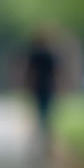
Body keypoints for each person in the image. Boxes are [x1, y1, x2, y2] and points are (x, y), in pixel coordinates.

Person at [25, 28, 59, 159]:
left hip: (37, 88)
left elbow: (29, 72)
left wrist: (27, 85)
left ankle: (37, 146)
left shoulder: (34, 53)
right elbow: (57, 72)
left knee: (39, 117)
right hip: (48, 88)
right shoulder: (49, 54)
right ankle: (46, 147)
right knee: (46, 117)